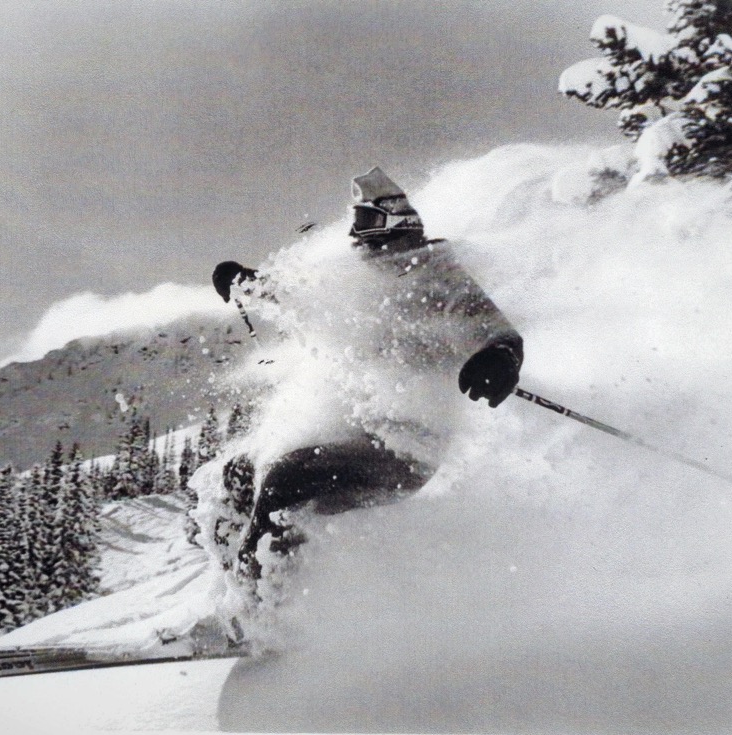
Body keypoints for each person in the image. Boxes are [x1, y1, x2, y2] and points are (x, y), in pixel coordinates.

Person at [201, 166, 523, 590]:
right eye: (356, 225)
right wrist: (246, 282)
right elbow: (298, 296)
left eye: (367, 222)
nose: (358, 237)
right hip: (357, 435)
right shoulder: (362, 283)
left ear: (396, 223)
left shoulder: (438, 276)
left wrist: (499, 357)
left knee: (284, 478)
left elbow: (496, 331)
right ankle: (230, 596)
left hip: (407, 447)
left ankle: (268, 610)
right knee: (239, 473)